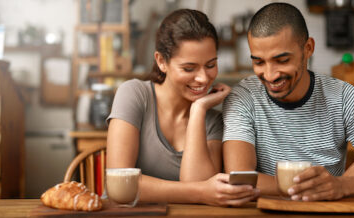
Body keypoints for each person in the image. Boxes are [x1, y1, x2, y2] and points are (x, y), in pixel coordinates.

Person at [223, 2, 354, 201]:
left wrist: (342, 185)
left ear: (308, 48)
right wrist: (328, 185)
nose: (270, 75)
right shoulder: (243, 97)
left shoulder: (345, 98)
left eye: (282, 60)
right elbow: (241, 179)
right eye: (259, 62)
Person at [106, 9, 259, 206]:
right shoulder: (134, 94)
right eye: (189, 68)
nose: (203, 78)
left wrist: (198, 110)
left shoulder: (213, 119)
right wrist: (200, 192)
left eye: (211, 65)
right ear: (161, 61)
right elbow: (120, 184)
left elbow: (201, 188)